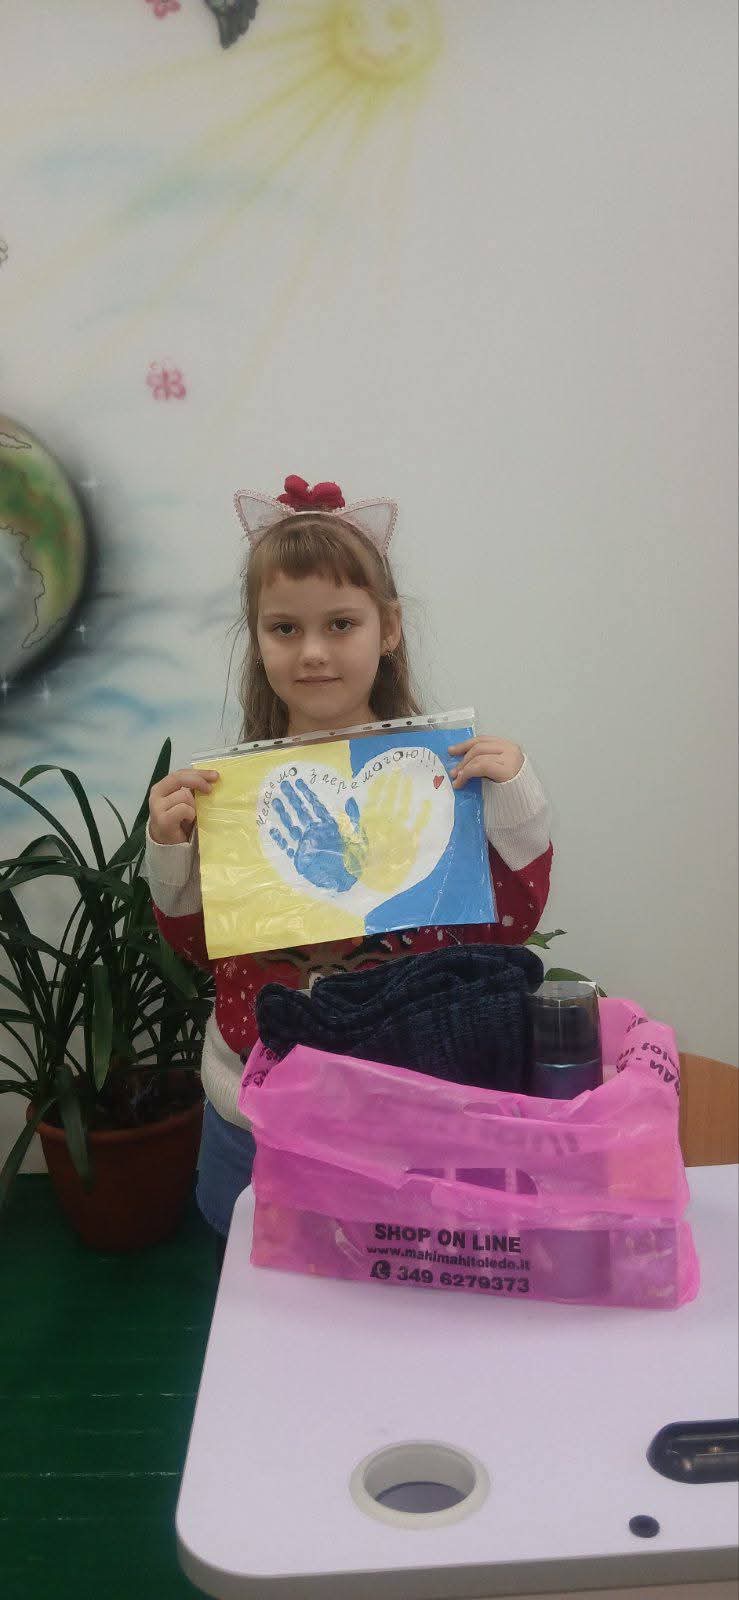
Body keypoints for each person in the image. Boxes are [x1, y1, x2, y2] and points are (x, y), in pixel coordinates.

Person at [146, 475, 553, 1268]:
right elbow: (198, 946)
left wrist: (513, 796)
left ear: (388, 628)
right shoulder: (227, 796)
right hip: (256, 1109)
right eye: (284, 628)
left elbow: (506, 928)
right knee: (264, 1290)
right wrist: (172, 849)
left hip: (404, 1105)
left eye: (340, 623)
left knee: (402, 1285)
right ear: (257, 637)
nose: (313, 651)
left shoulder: (440, 780)